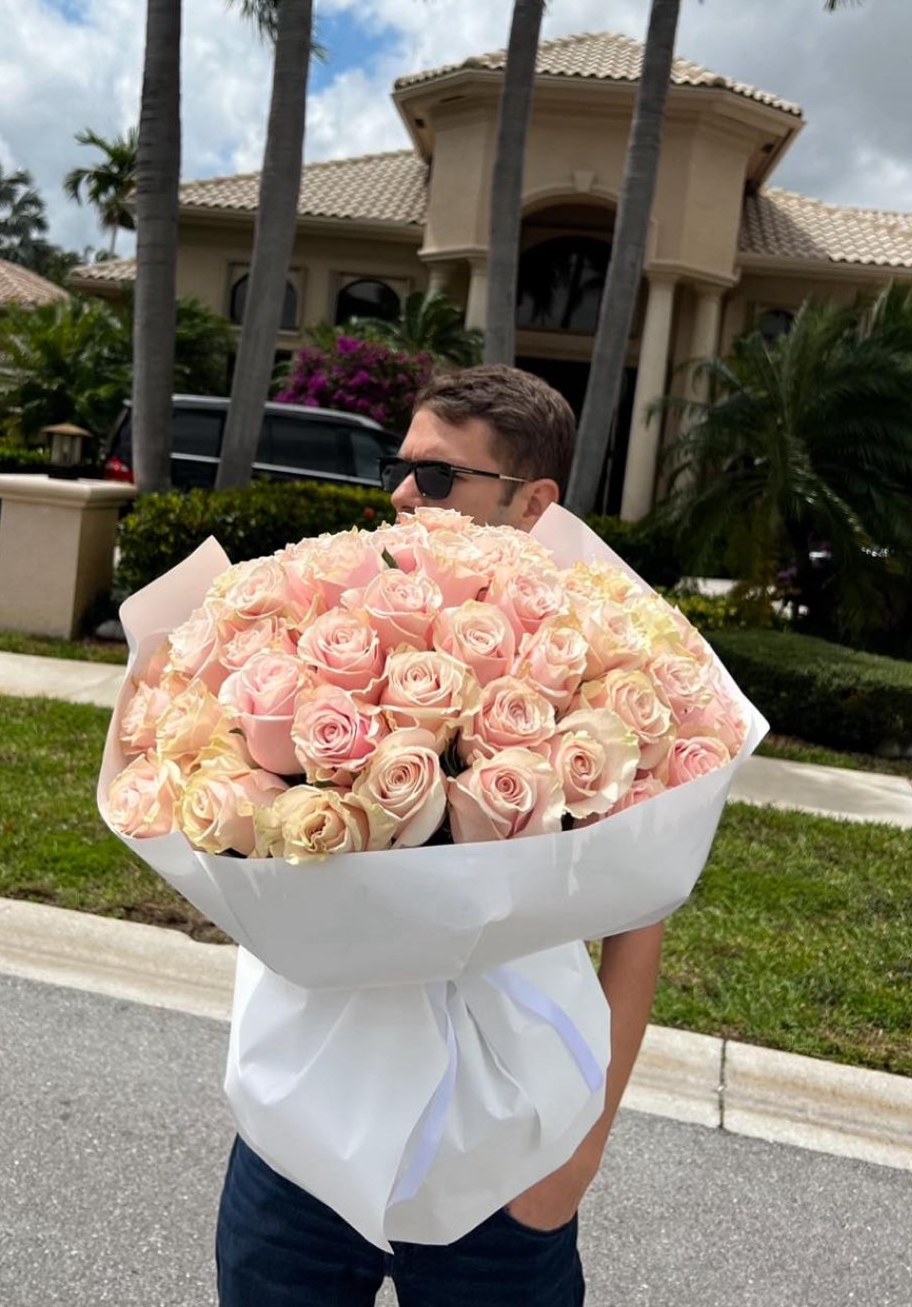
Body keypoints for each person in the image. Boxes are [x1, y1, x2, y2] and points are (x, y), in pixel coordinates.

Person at [216, 364, 665, 1306]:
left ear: (533, 500)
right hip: (303, 1127)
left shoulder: (604, 653)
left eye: (438, 475)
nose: (402, 493)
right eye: (400, 465)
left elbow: (643, 911)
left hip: (505, 1158)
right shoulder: (317, 616)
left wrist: (577, 1158)